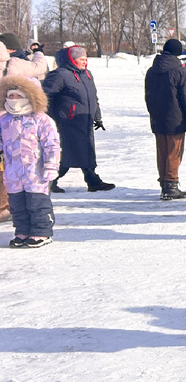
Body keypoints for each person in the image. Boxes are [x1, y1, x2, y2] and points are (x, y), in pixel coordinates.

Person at [43, 45, 115, 192]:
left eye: (86, 59)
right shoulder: (60, 75)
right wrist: (49, 116)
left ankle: (92, 180)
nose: (85, 62)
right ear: (72, 60)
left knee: (87, 150)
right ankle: (50, 180)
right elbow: (44, 96)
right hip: (66, 122)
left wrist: (97, 116)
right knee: (67, 154)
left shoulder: (86, 74)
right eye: (81, 59)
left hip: (84, 120)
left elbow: (93, 97)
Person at [1, 75, 61, 248]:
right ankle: (22, 231)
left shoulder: (41, 120)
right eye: (10, 96)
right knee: (17, 204)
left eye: (17, 96)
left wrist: (51, 165)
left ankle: (41, 232)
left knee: (37, 203)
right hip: (12, 171)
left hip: (35, 170)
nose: (13, 100)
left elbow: (52, 144)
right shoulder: (5, 120)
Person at [144, 38, 186, 200]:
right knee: (174, 152)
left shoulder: (151, 71)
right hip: (176, 120)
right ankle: (171, 185)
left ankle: (164, 182)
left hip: (157, 118)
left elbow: (148, 96)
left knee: (162, 152)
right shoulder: (179, 71)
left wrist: (153, 113)